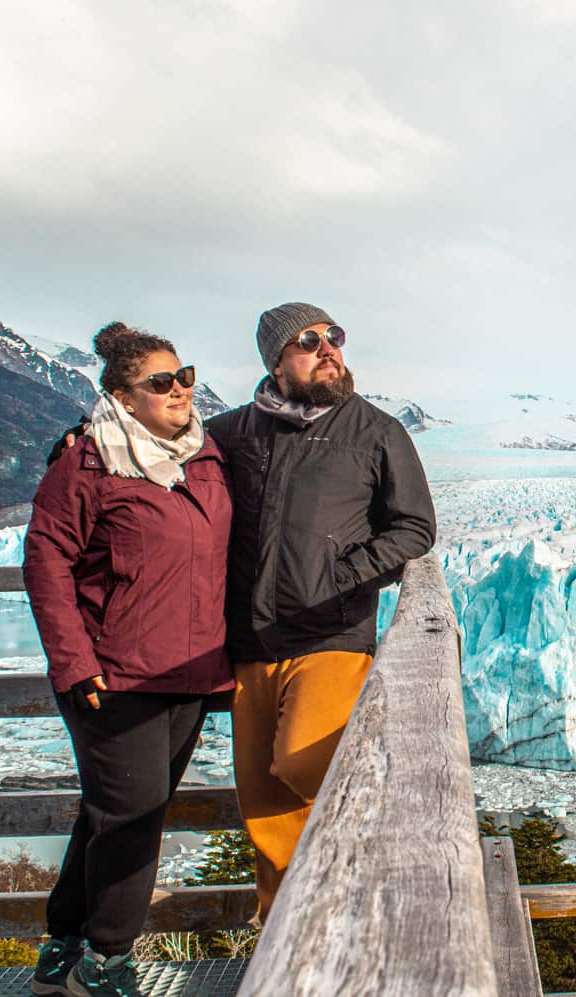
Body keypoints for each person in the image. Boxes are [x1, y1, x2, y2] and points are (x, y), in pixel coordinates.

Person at [206, 302, 436, 921]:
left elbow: (414, 527)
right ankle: (287, 939)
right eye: (308, 341)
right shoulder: (229, 435)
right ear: (276, 362)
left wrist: (345, 575)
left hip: (331, 633)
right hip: (250, 646)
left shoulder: (376, 431)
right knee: (265, 809)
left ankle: (381, 873)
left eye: (333, 336)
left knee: (305, 760)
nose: (327, 347)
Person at [24, 323, 233, 997]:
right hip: (113, 675)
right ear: (119, 395)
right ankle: (106, 961)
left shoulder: (205, 455)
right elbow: (47, 560)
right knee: (135, 815)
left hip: (190, 672)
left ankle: (63, 942)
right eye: (161, 382)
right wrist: (74, 661)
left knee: (111, 811)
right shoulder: (86, 463)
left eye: (186, 376)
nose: (180, 390)